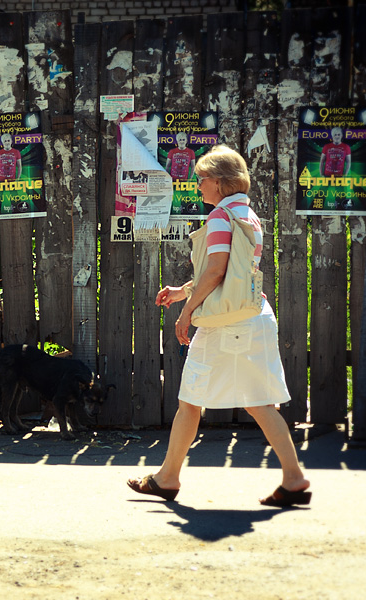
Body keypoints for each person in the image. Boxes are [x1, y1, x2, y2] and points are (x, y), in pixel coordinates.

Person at [127, 145, 311, 507]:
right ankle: (293, 478)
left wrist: (187, 313)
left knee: (190, 399)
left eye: (202, 179)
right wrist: (184, 291)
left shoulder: (220, 217)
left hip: (226, 326)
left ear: (220, 182)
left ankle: (167, 478)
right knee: (260, 403)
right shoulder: (247, 214)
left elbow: (216, 269)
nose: (198, 186)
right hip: (254, 316)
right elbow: (233, 272)